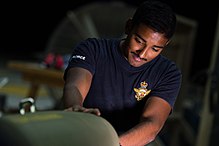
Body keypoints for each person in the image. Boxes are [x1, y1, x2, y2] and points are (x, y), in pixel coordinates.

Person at [62, 0, 182, 145]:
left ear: (165, 45)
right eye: (139, 41)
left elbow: (152, 124)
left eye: (155, 49)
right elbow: (74, 86)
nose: (143, 54)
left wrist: (111, 144)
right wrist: (76, 109)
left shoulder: (167, 73)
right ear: (128, 26)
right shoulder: (92, 49)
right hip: (82, 136)